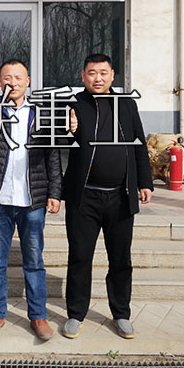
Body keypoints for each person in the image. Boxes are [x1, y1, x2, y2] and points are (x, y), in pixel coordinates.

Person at [62, 53, 153, 340]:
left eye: (103, 72)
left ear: (112, 75)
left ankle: (121, 314)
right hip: (84, 198)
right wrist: (67, 130)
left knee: (121, 259)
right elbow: (59, 143)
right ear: (83, 76)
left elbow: (139, 145)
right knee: (80, 257)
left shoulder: (126, 104)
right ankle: (76, 314)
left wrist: (145, 182)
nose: (98, 78)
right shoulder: (72, 104)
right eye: (92, 73)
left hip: (120, 197)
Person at [0, 60, 63, 341]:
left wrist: (55, 192)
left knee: (34, 261)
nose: (12, 82)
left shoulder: (42, 114)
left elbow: (53, 156)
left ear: (28, 82)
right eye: (7, 78)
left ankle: (38, 315)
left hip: (32, 199)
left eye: (18, 77)